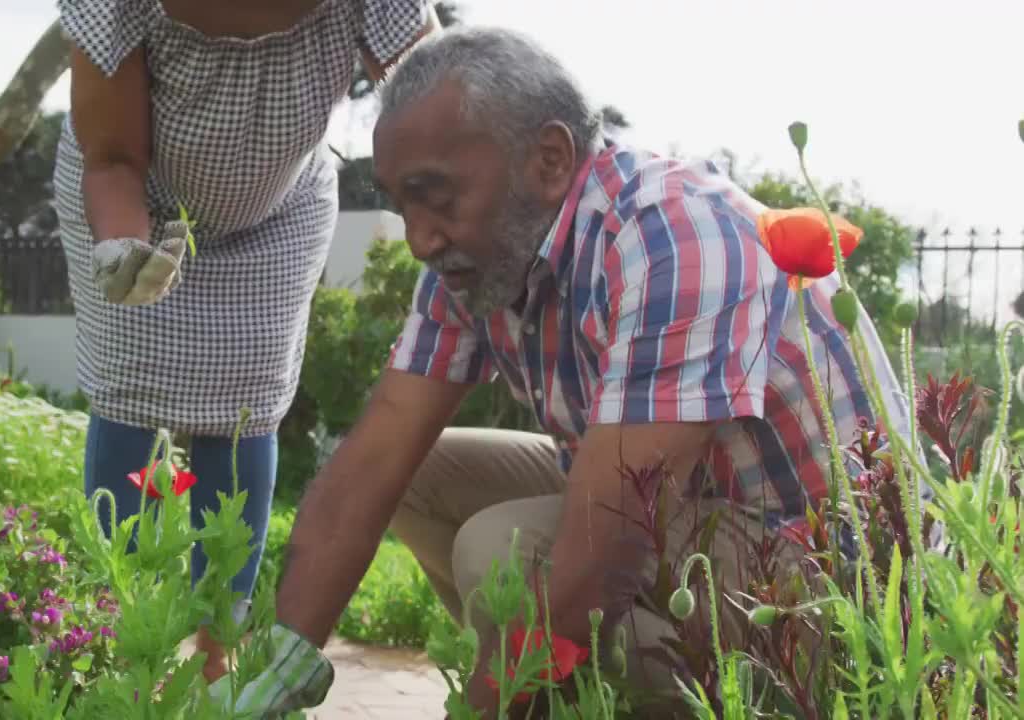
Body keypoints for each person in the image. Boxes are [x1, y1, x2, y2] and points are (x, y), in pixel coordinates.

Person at [212, 25, 916, 718]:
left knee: (504, 558)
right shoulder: (476, 256)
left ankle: (599, 691)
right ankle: (568, 684)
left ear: (549, 158)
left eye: (438, 194)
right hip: (690, 513)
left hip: (838, 582)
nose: (419, 238)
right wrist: (270, 676)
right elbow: (372, 461)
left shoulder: (672, 235)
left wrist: (479, 709)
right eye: (405, 205)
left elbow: (607, 538)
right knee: (426, 479)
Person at [52, 0, 442, 682]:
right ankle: (119, 636)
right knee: (130, 391)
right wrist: (121, 242)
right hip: (129, 202)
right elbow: (112, 155)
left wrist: (443, 200)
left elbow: (438, 104)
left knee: (245, 407)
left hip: (276, 215)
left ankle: (218, 654)